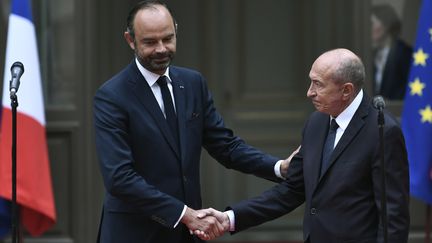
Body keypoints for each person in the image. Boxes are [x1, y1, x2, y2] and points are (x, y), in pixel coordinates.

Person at [93, 1, 292, 242]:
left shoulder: (193, 83)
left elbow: (225, 146)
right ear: (130, 40)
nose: (161, 48)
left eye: (168, 38)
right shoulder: (112, 96)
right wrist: (185, 214)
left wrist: (279, 167)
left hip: (186, 235)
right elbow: (119, 177)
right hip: (135, 233)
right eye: (150, 42)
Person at [197, 49, 410, 243]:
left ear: (346, 91)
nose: (309, 92)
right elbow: (292, 190)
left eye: (318, 84)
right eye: (311, 82)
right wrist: (230, 218)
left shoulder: (383, 131)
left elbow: (393, 217)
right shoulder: (316, 122)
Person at [371, 4, 412, 100]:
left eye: (372, 24)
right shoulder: (372, 55)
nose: (369, 29)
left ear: (386, 25)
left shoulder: (404, 53)